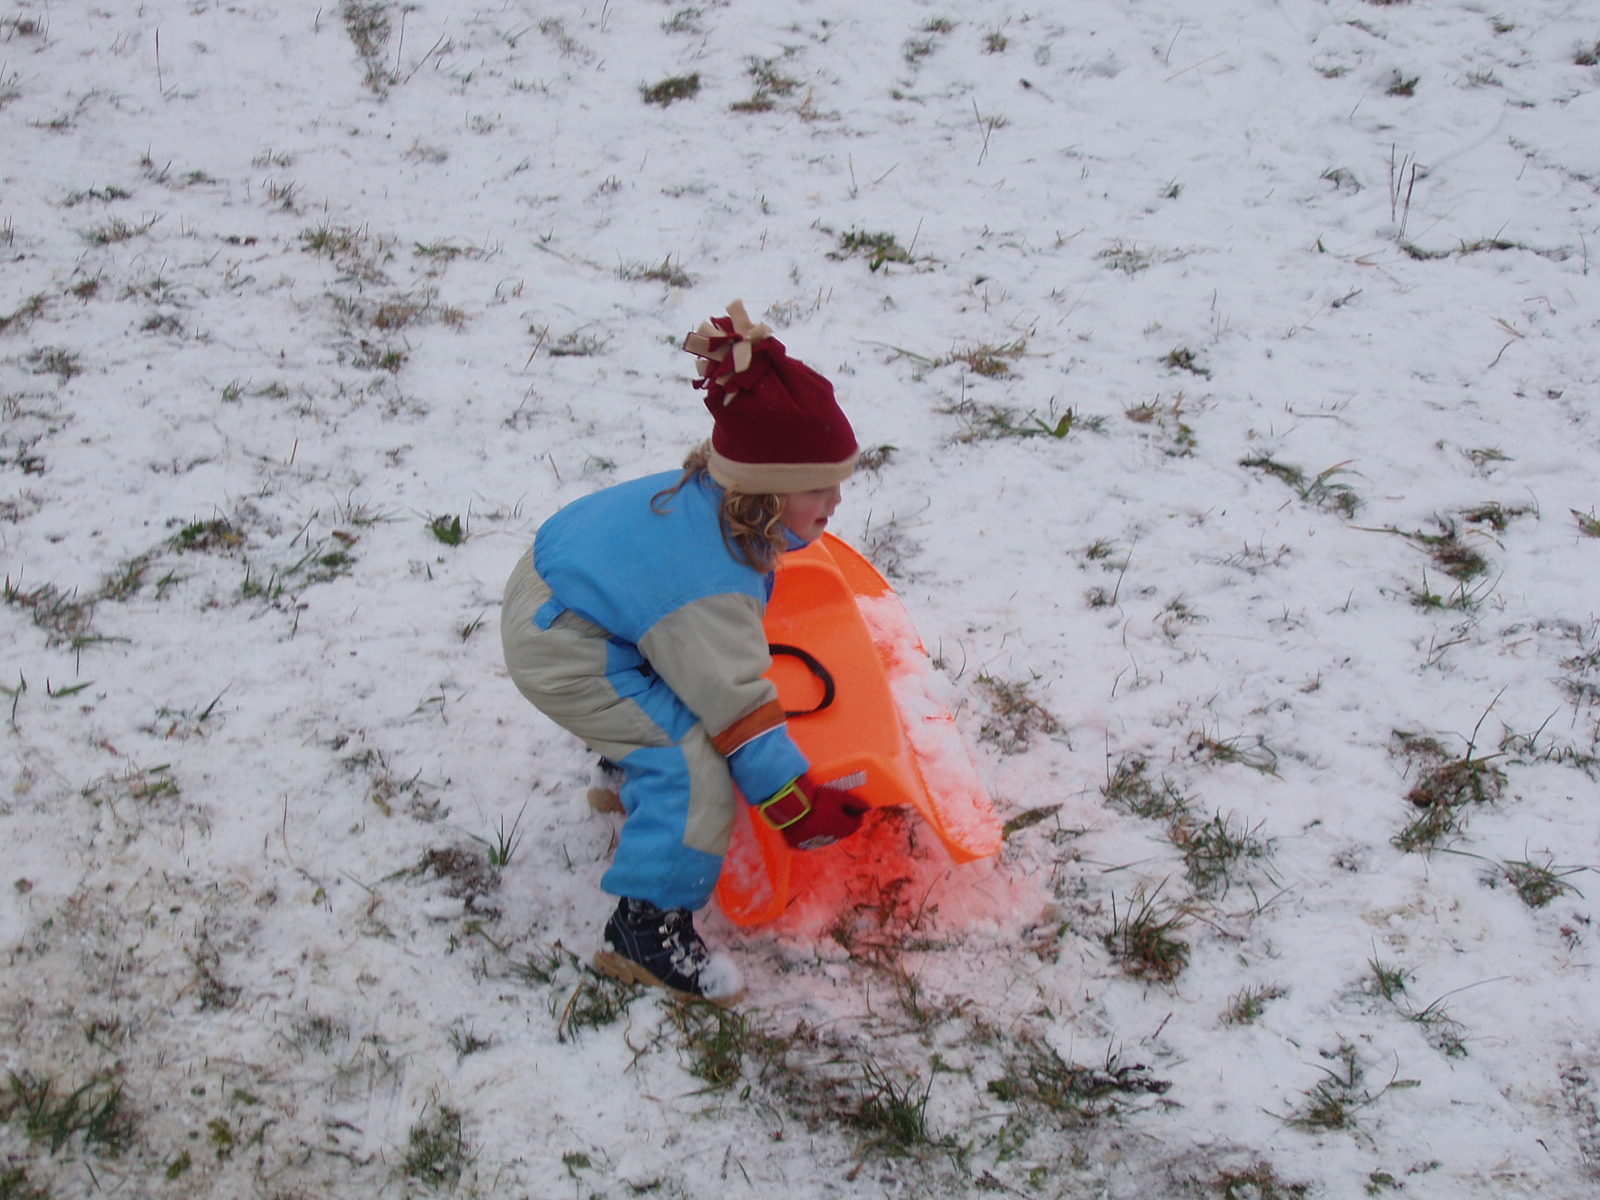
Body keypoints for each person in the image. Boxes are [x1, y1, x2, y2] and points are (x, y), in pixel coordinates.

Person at [500, 300, 870, 1004]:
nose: (835, 500)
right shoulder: (710, 578)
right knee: (692, 767)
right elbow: (738, 709)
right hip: (564, 642)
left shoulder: (711, 504)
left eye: (838, 482)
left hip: (572, 595)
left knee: (675, 687)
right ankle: (645, 932)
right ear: (765, 492)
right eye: (817, 487)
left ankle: (625, 768)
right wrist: (794, 804)